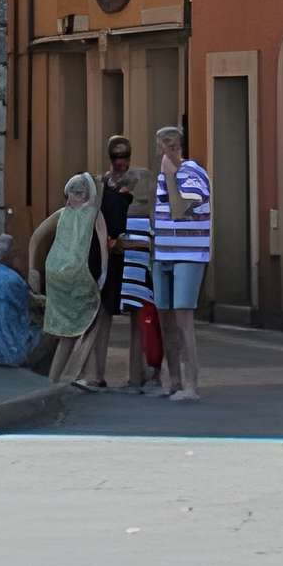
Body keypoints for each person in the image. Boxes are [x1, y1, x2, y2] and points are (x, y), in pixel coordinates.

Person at [24, 171, 109, 389]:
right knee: (87, 321)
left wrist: (33, 269)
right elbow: (103, 244)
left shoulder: (61, 214)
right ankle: (67, 377)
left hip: (54, 272)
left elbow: (36, 237)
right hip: (78, 273)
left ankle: (77, 376)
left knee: (69, 328)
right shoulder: (94, 213)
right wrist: (104, 273)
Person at [149, 124, 210, 401]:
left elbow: (178, 210)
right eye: (161, 146)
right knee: (165, 319)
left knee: (184, 319)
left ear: (176, 146)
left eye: (167, 146)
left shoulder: (193, 173)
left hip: (189, 255)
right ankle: (173, 381)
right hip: (163, 254)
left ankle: (191, 385)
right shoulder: (163, 176)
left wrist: (172, 176)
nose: (162, 152)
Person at [99, 135, 158, 392]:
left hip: (136, 255)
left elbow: (153, 214)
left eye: (124, 157)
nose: (121, 162)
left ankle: (136, 375)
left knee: (138, 314)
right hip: (112, 256)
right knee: (103, 314)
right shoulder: (102, 184)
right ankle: (96, 373)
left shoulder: (142, 180)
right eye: (116, 157)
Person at [0, 232, 46, 370]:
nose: (21, 259)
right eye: (18, 255)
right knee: (55, 330)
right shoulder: (12, 279)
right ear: (9, 256)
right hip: (12, 354)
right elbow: (30, 311)